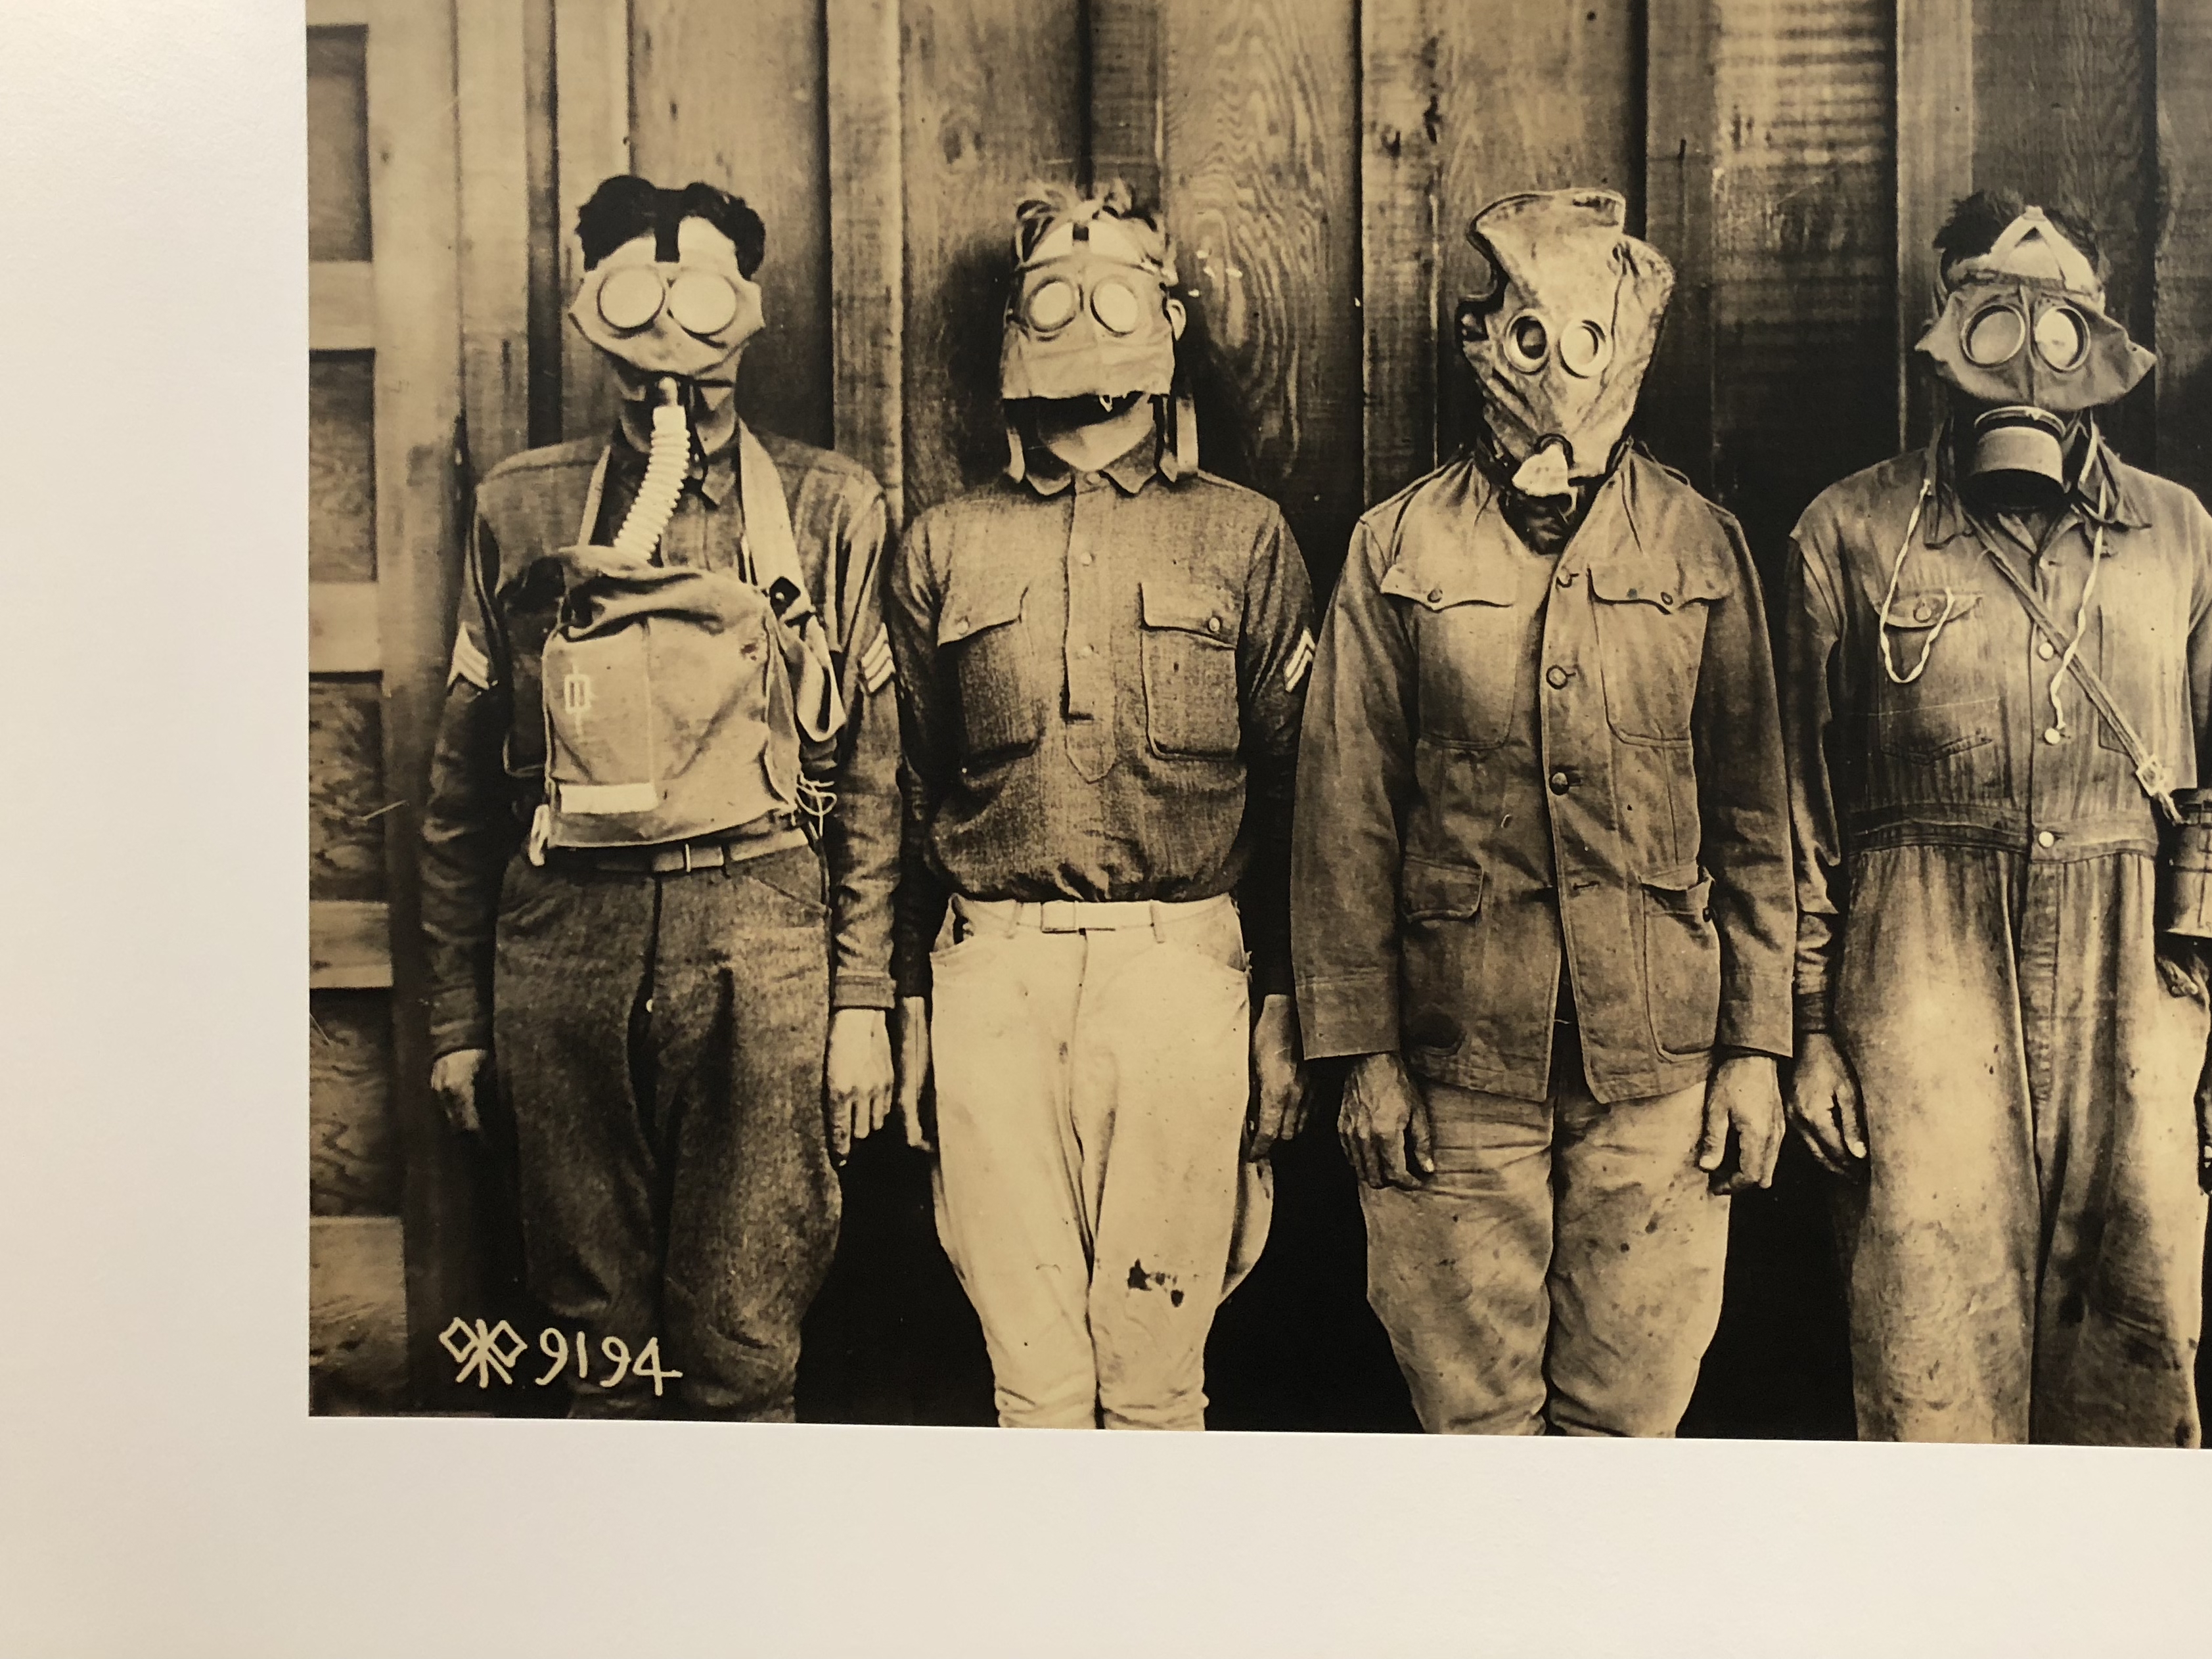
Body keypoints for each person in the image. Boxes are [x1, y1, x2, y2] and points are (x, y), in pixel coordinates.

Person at [1780, 189, 2212, 1447]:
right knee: (1926, 1355)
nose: (2024, 353)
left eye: (2058, 319)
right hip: (1916, 985)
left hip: (2138, 988)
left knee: (2136, 1346)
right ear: (1942, 329)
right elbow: (1790, 812)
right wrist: (1808, 1030)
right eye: (1988, 311)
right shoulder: (1849, 534)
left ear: (2095, 335)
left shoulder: (2177, 537)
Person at [1292, 187, 1792, 1437]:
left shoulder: (1702, 547)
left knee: (1629, 1434)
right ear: (1484, 344)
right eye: (1530, 334)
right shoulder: (1398, 549)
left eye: (1586, 337)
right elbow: (1344, 822)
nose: (1558, 368)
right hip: (1455, 1067)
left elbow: (1753, 820)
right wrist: (1365, 1059)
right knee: (1475, 1436)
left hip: (1659, 1072)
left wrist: (1754, 1050)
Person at [419, 175, 900, 1420]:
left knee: (742, 1346)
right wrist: (460, 1019)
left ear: (749, 309)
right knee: (600, 1353)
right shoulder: (522, 506)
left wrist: (859, 1001)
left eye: (704, 300)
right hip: (564, 943)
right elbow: (462, 784)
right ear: (595, 310)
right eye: (637, 299)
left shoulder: (831, 507)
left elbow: (875, 779)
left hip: (761, 937)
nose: (670, 340)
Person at [885, 181, 1314, 1431]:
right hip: (993, 979)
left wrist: (1286, 1006)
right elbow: (902, 795)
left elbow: (1301, 796)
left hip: (1180, 974)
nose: (1086, 318)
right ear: (1015, 328)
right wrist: (907, 1005)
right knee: (1034, 1384)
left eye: (1118, 293)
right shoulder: (945, 545)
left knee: (1157, 1381)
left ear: (1166, 318)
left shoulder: (1245, 539)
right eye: (1054, 298)